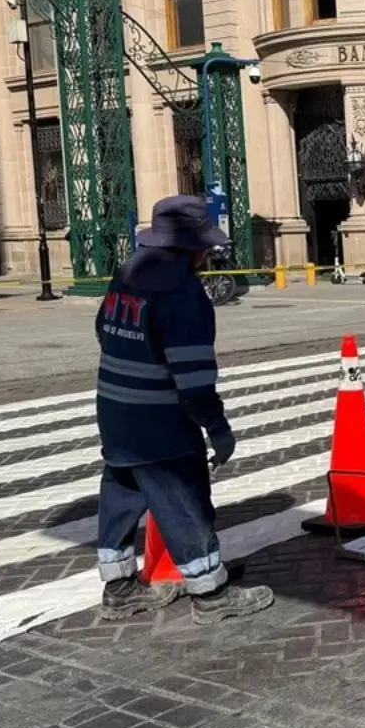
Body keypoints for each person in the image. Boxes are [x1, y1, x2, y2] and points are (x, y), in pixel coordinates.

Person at [95, 195, 274, 625]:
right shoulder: (182, 290)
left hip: (113, 407)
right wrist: (217, 427)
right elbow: (193, 375)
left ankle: (119, 588)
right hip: (159, 418)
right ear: (193, 247)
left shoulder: (127, 273)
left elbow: (102, 328)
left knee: (121, 490)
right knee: (181, 497)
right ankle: (210, 593)